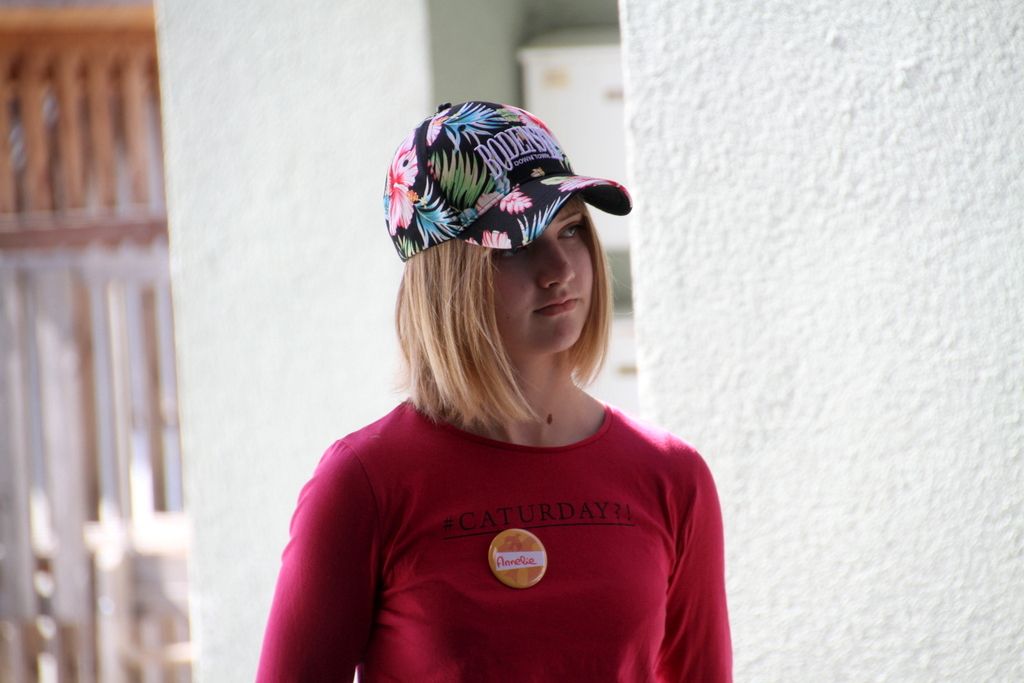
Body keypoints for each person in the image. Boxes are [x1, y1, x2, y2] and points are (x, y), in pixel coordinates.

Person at [256, 101, 732, 682]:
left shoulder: (672, 477)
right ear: (444, 275)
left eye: (571, 229)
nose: (560, 269)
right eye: (515, 244)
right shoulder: (365, 484)